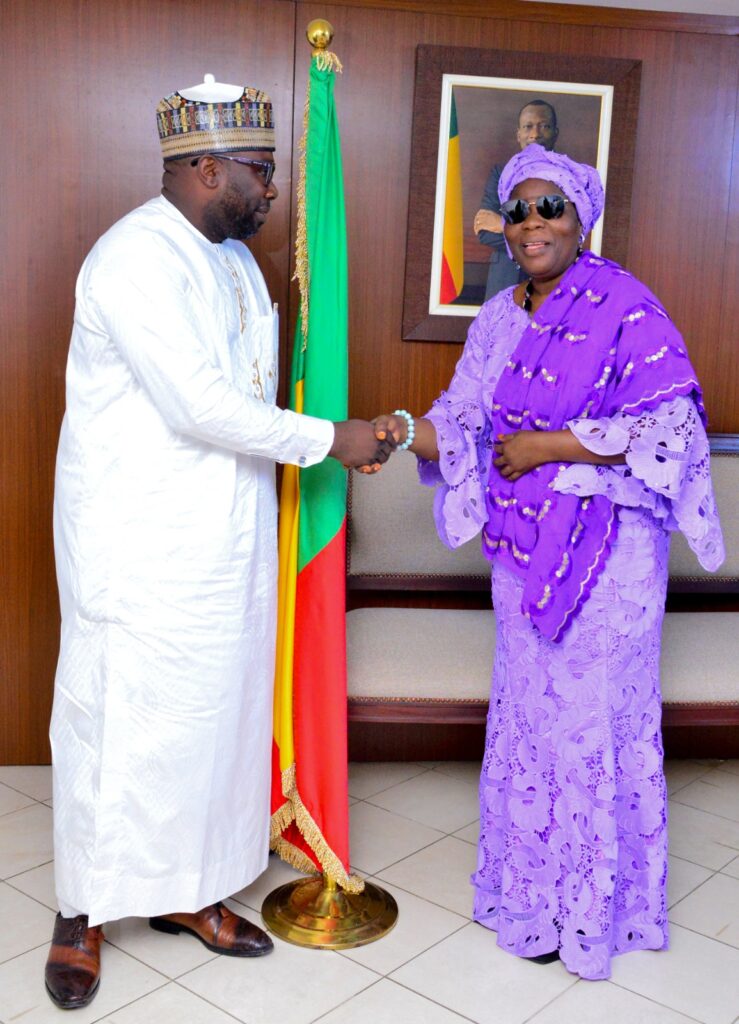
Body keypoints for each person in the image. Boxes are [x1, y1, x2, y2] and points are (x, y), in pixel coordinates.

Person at [45, 76, 390, 1010]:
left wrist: (315, 440)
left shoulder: (235, 262)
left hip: (227, 536)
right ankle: (81, 911)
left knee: (209, 719)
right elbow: (199, 405)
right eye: (259, 171)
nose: (271, 189)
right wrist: (332, 438)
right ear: (205, 168)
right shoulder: (132, 258)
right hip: (138, 540)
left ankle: (187, 891)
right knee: (119, 723)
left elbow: (245, 396)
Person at [373, 143, 724, 980]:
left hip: (611, 559)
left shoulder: (625, 306)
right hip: (523, 554)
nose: (532, 223)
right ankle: (531, 905)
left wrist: (548, 445)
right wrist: (396, 431)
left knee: (590, 725)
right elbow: (462, 420)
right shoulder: (497, 320)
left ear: (580, 219)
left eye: (549, 207)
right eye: (517, 210)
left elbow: (673, 428)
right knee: (531, 725)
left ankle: (597, 915)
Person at [474, 100, 558, 301]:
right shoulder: (500, 174)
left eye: (544, 126)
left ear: (555, 133)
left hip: (551, 283)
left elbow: (563, 238)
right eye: (528, 126)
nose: (535, 134)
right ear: (518, 134)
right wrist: (540, 238)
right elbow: (485, 232)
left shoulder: (569, 177)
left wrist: (502, 224)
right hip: (503, 281)